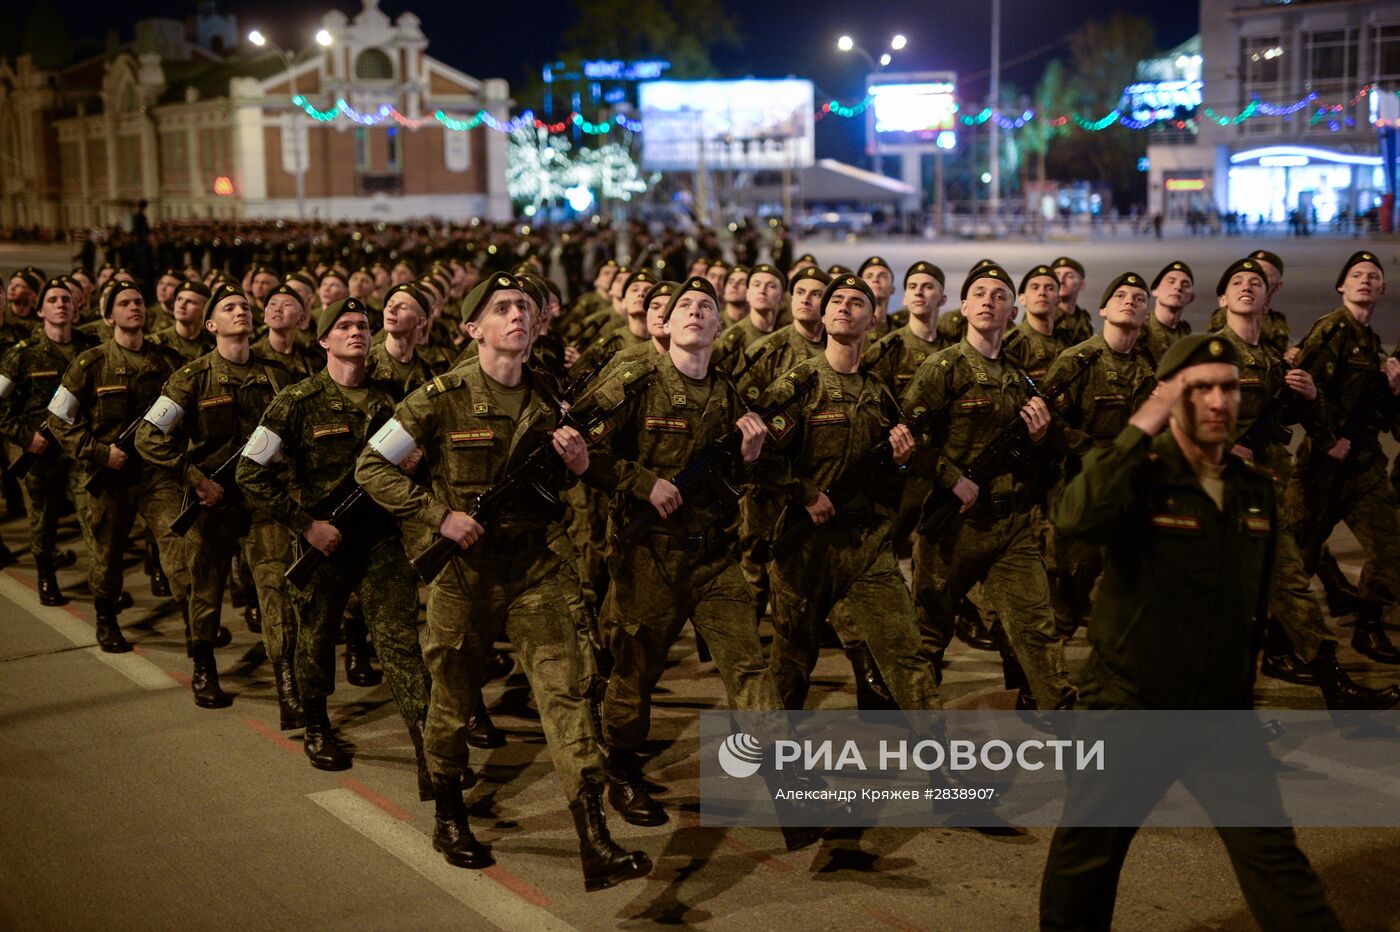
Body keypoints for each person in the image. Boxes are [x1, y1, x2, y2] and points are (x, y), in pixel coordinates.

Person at [355, 274, 651, 891]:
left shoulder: (550, 395)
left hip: (537, 567)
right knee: (454, 697)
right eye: (502, 308)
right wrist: (440, 516)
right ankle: (450, 813)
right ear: (472, 329)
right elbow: (371, 465)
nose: (518, 314)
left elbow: (565, 481)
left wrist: (577, 464)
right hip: (464, 575)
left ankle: (594, 839)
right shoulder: (440, 395)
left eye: (526, 307)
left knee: (568, 693)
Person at [1040, 333, 1341, 932]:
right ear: (1170, 399)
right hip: (1130, 707)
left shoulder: (1254, 489)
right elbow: (1075, 516)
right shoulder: (1139, 474)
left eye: (1227, 387)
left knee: (1275, 861)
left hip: (1219, 714)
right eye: (1198, 387)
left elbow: (1253, 601)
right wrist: (1140, 427)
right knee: (1088, 861)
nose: (1217, 400)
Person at [578, 275, 779, 827]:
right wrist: (644, 483)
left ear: (719, 327)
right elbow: (578, 448)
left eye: (705, 307)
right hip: (650, 557)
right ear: (663, 323)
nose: (694, 312)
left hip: (715, 557)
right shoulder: (637, 379)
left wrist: (752, 456)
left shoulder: (729, 393)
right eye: (684, 305)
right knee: (635, 670)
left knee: (747, 665)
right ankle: (621, 769)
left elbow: (737, 478)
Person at [238, 297, 432, 768]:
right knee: (317, 638)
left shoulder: (393, 400)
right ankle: (318, 724)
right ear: (324, 339)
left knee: (401, 641)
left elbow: (423, 463)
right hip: (322, 541)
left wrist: (417, 465)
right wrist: (305, 526)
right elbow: (249, 470)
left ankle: (429, 746)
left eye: (363, 326)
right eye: (343, 326)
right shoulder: (296, 401)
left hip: (382, 540)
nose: (356, 333)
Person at [1213, 257, 1397, 709]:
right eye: (1237, 282)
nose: (1248, 288)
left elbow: (1295, 413)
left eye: (1256, 283)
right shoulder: (1211, 353)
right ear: (1221, 299)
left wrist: (1313, 399)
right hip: (1218, 493)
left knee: (1292, 582)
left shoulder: (1274, 360)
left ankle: (1331, 679)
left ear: (1269, 296)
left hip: (1266, 489)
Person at [760, 273, 943, 713]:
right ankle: (769, 758)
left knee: (905, 652)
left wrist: (901, 460)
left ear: (873, 319)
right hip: (806, 545)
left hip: (867, 544)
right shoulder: (798, 385)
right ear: (822, 317)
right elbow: (761, 457)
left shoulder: (879, 393)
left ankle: (940, 758)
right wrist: (805, 494)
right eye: (835, 301)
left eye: (856, 302)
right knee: (791, 662)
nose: (844, 307)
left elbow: (899, 477)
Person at [903, 265, 1075, 709]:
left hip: (1009, 524)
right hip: (953, 525)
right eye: (978, 293)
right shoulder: (943, 367)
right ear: (962, 308)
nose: (987, 301)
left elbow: (1043, 459)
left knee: (1035, 626)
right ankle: (921, 728)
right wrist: (950, 478)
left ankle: (1060, 715)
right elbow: (904, 439)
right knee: (929, 632)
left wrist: (1039, 440)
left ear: (1012, 311)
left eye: (998, 296)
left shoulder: (1020, 379)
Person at [135, 283, 295, 708]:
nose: (240, 311)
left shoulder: (277, 374)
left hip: (262, 503)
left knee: (274, 587)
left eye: (244, 306)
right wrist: (195, 478)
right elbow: (148, 438)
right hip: (213, 502)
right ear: (211, 324)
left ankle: (288, 679)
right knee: (205, 589)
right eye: (229, 307)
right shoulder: (191, 378)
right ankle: (204, 665)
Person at [48, 279, 189, 655]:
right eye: (124, 303)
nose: (134, 307)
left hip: (157, 474)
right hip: (111, 475)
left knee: (177, 544)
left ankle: (194, 623)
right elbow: (59, 419)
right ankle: (106, 616)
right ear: (108, 316)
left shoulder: (166, 361)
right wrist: (98, 453)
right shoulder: (90, 362)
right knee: (108, 552)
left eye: (139, 302)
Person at [1284, 251, 1400, 664]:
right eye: (1356, 275)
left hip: (1364, 466)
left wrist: (1393, 389)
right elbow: (1301, 393)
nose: (1365, 280)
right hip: (1323, 465)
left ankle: (1369, 627)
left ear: (1383, 289)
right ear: (1341, 287)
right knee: (1299, 557)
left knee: (1391, 549)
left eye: (1374, 276)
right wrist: (1327, 439)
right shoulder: (1331, 329)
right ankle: (1281, 645)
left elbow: (1378, 415)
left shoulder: (1370, 343)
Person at [1043, 273, 1156, 637]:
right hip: (1080, 482)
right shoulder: (1077, 361)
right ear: (1103, 310)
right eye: (1121, 295)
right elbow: (1049, 421)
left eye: (1139, 299)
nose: (1130, 301)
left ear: (1147, 317)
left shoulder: (1147, 367)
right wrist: (1092, 452)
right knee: (1074, 575)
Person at [0, 278, 99, 603]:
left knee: (94, 518)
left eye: (66, 300)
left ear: (75, 309)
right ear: (41, 309)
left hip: (79, 451)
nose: (61, 304)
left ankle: (102, 586)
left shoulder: (90, 349)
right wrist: (25, 437)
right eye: (53, 299)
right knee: (43, 519)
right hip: (41, 452)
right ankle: (46, 577)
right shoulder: (23, 354)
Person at [1139, 261, 1194, 369]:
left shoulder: (1186, 334)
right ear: (1155, 291)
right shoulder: (1140, 329)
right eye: (1171, 281)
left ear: (1191, 298)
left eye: (1185, 284)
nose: (1178, 287)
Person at [1050, 256, 1094, 345]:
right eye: (1057, 275)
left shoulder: (1084, 319)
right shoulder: (1042, 316)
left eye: (1069, 276)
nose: (1061, 280)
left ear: (1081, 284)